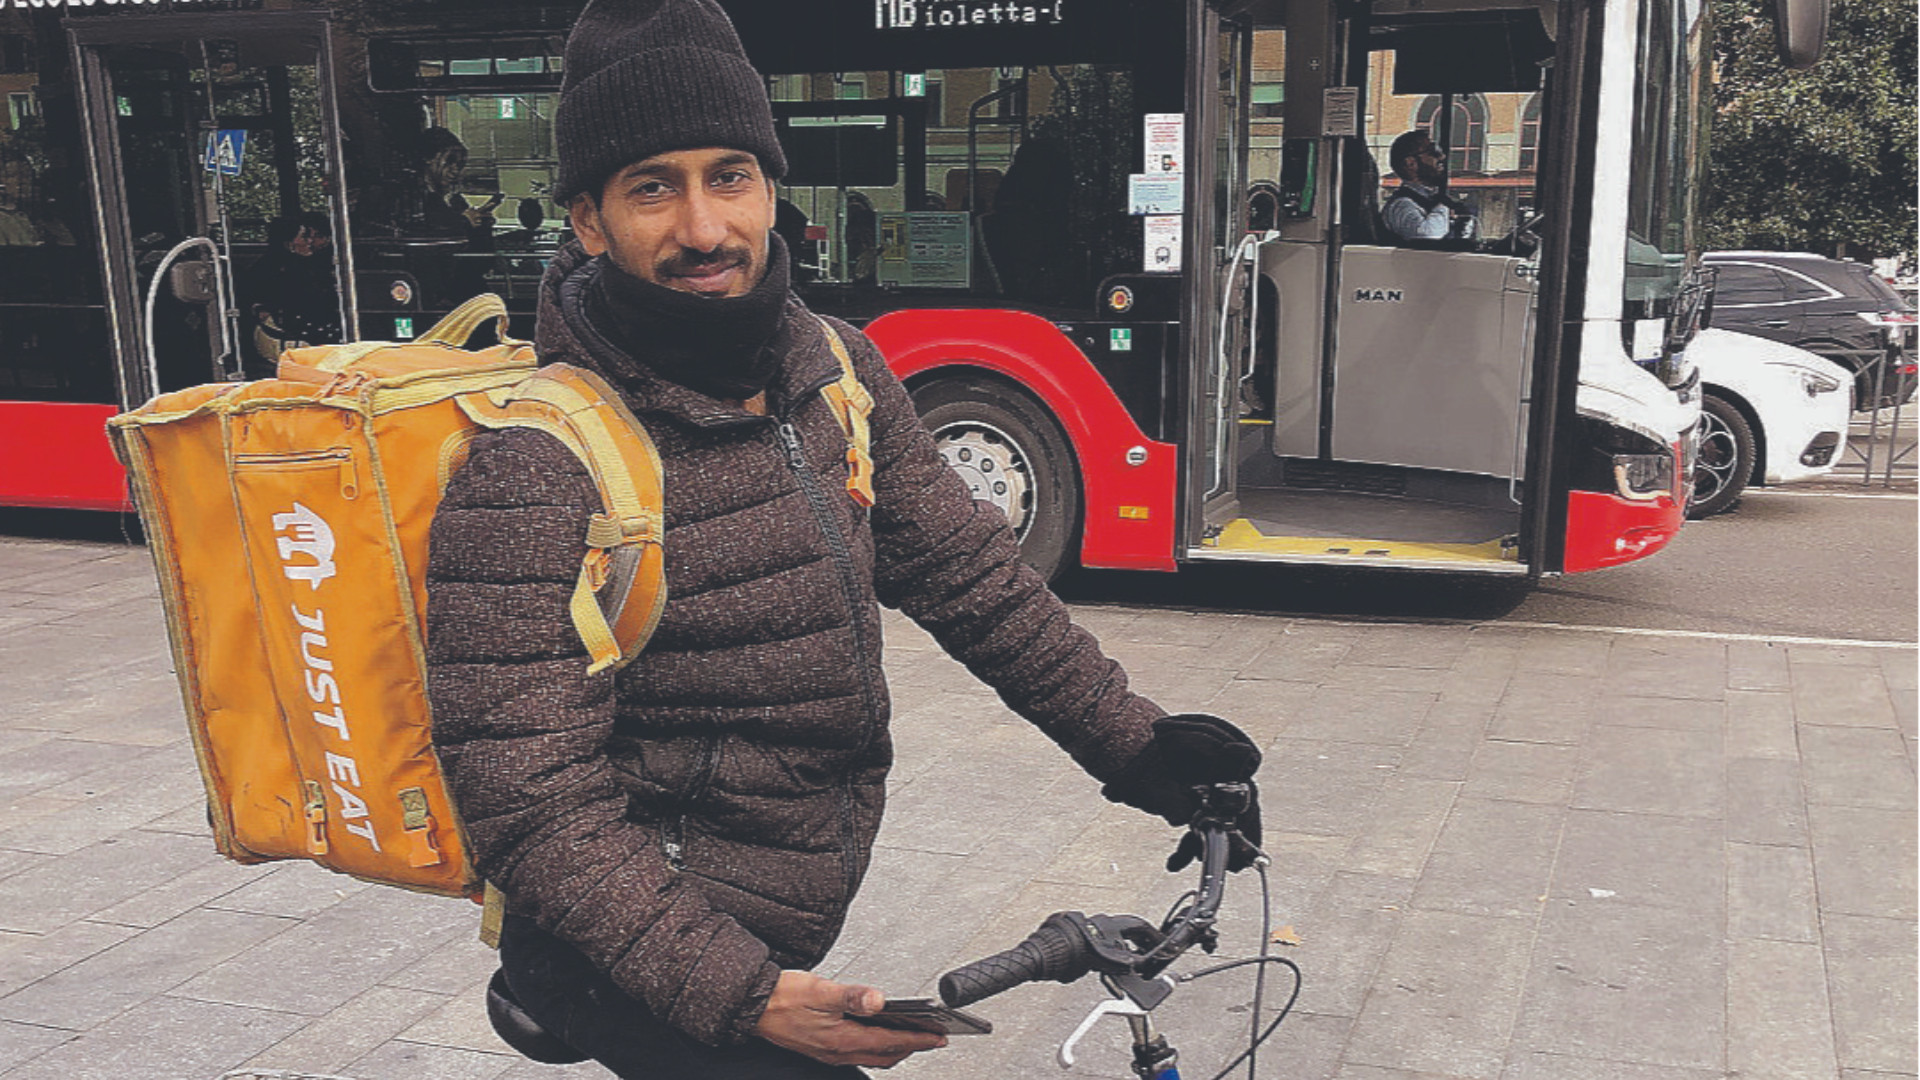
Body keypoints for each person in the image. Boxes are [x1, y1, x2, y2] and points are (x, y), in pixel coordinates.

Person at [424, 2, 1265, 1078]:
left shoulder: (836, 371)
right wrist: (748, 997)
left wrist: (1143, 752)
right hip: (622, 942)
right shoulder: (536, 458)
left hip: (770, 907)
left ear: (771, 187)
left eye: (730, 176)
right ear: (589, 220)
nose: (704, 228)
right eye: (653, 188)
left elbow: (972, 581)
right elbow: (526, 794)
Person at [1382, 130, 1477, 243]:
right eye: (1433, 152)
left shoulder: (1429, 200)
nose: (1441, 157)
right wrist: (1443, 206)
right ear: (1410, 163)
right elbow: (1428, 237)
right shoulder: (1401, 205)